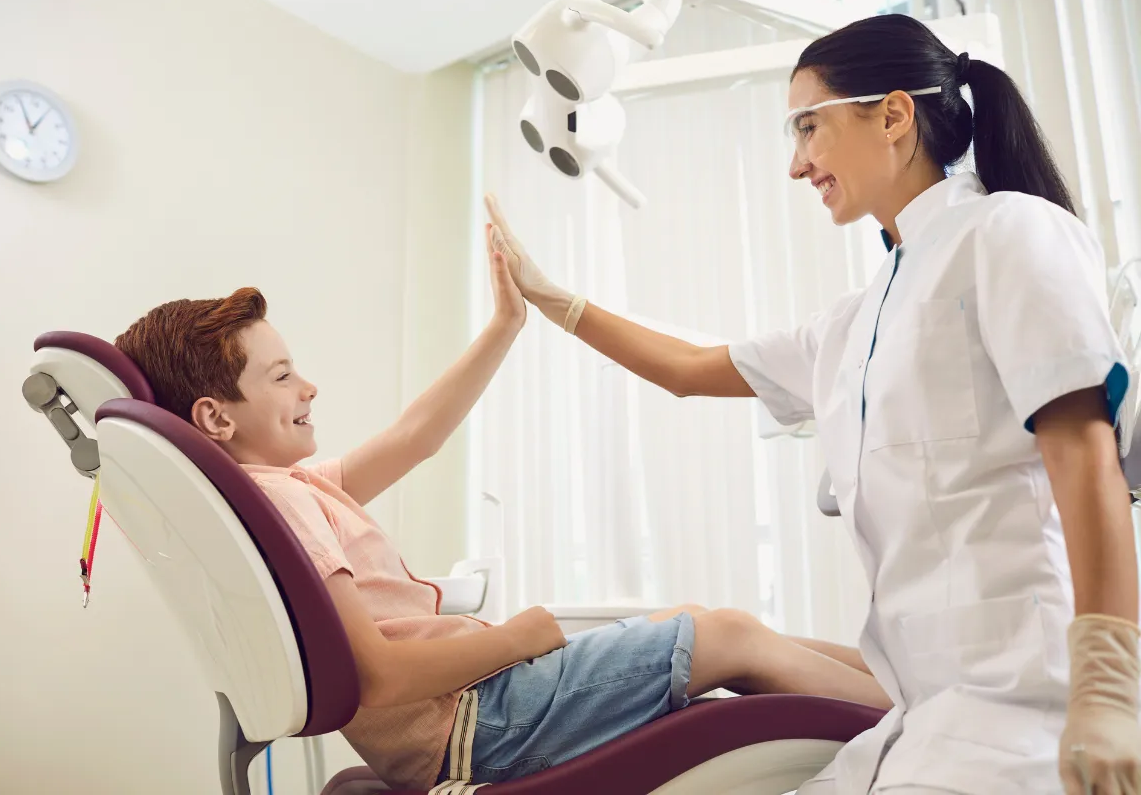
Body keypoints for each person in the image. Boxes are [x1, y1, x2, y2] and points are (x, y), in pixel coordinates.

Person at [485, 12, 1141, 795]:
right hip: (924, 717)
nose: (797, 165)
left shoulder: (1012, 231)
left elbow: (1083, 453)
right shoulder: (857, 321)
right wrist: (551, 298)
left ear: (894, 115)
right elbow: (692, 367)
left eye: (809, 127)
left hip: (1030, 712)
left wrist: (1109, 689)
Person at [113, 228, 890, 790]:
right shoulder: (282, 503)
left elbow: (418, 437)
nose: (307, 387)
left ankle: (913, 684)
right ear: (217, 417)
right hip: (474, 727)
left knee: (715, 626)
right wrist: (523, 634)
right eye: (282, 377)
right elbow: (378, 677)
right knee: (725, 634)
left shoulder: (292, 489)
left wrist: (506, 325)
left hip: (476, 716)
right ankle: (925, 723)